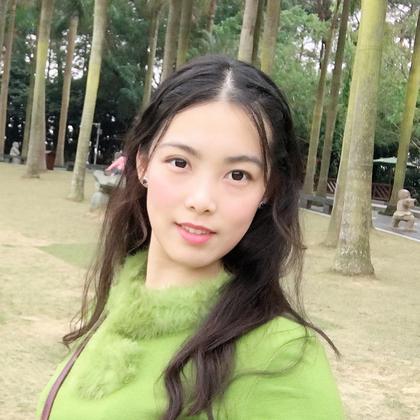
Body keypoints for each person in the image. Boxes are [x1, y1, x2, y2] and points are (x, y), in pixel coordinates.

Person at [37, 55, 344, 420]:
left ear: (268, 189)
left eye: (238, 175)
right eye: (180, 162)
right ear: (143, 163)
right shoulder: (114, 307)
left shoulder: (282, 358)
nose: (201, 200)